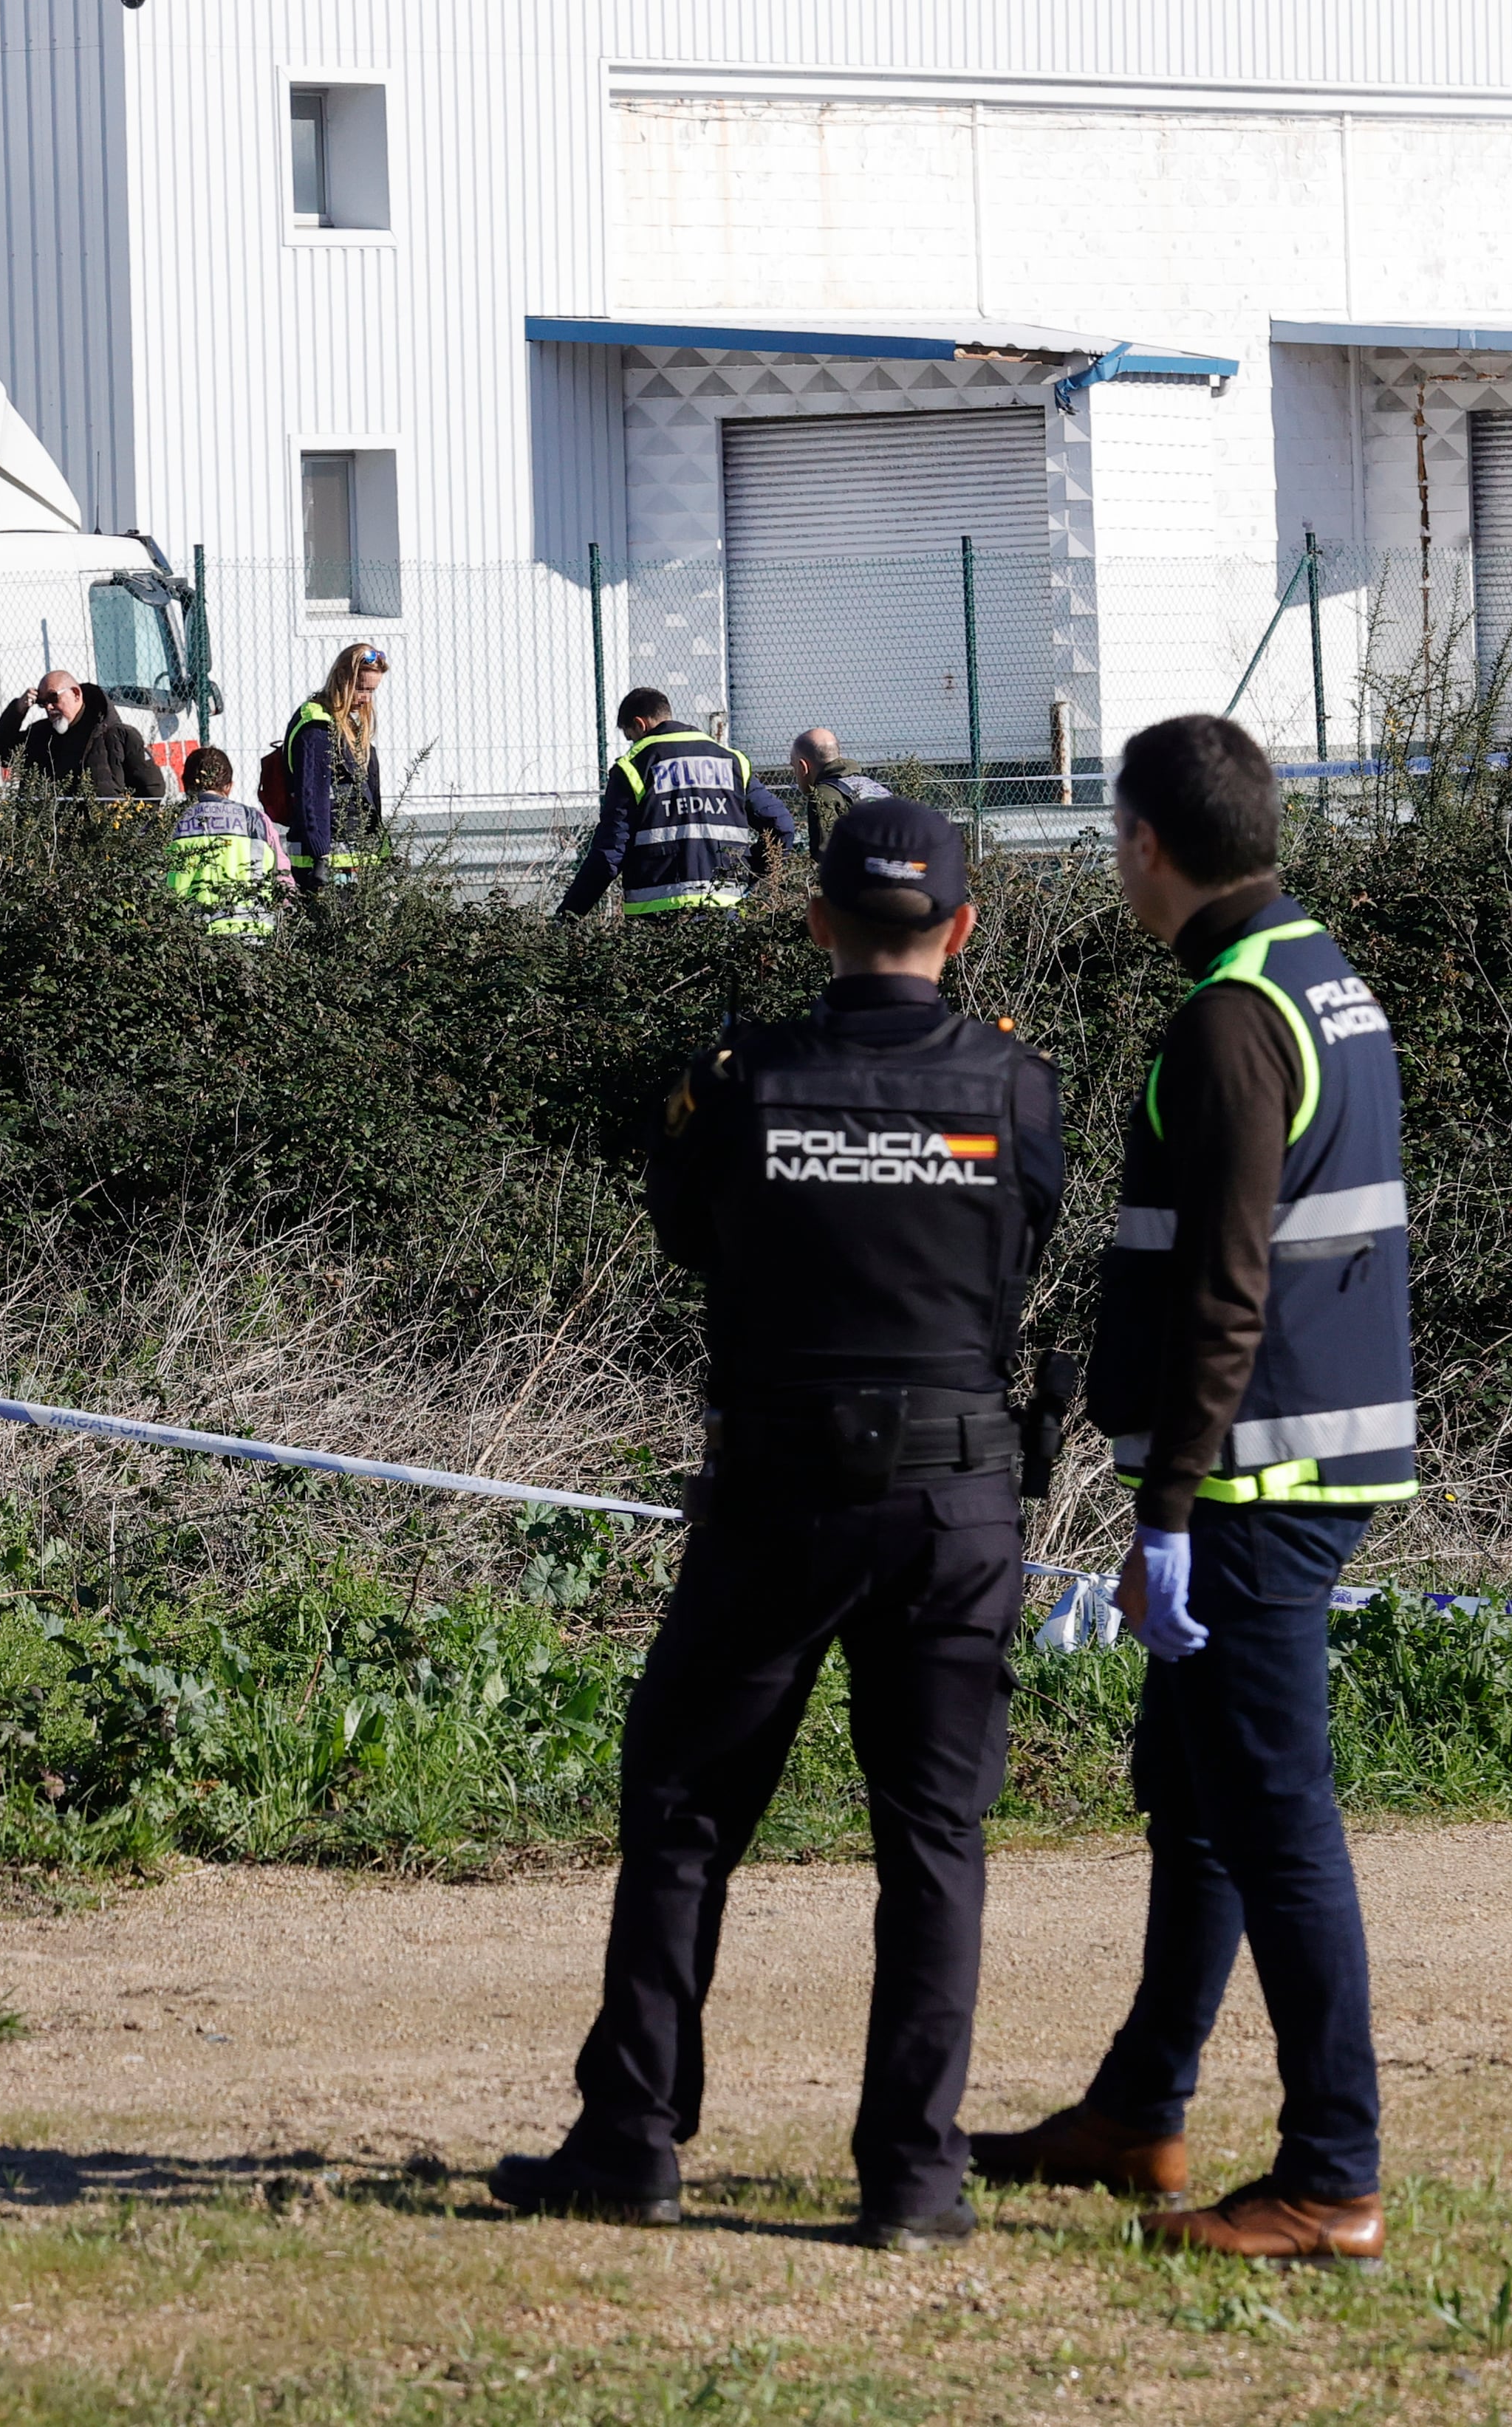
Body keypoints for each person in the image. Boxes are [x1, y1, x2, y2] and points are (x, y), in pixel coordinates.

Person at [493, 795, 1063, 2250]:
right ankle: (912, 2177)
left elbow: (686, 1231)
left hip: (775, 1496)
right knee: (932, 1839)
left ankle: (631, 2137)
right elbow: (1030, 1237)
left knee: (684, 1813)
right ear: (962, 925)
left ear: (814, 921)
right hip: (955, 1496)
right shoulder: (1013, 1084)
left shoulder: (743, 1076)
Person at [970, 714, 1413, 2266]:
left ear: (1144, 845)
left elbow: (1224, 1286)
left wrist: (1162, 1504)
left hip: (1253, 1475)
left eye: (1113, 838)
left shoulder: (1228, 1018)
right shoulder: (1316, 970)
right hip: (1295, 1451)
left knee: (1276, 1818)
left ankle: (1330, 2175)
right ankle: (1139, 2105)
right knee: (1202, 1797)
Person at [562, 689, 796, 920]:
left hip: (657, 913)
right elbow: (781, 825)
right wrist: (749, 872)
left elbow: (609, 854)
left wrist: (570, 914)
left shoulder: (632, 768)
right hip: (725, 907)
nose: (632, 745)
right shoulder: (732, 760)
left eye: (630, 737)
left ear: (640, 724)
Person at [280, 642, 388, 906]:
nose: (365, 698)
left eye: (371, 691)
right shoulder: (317, 726)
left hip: (353, 858)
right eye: (361, 689)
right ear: (343, 679)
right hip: (326, 867)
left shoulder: (347, 725)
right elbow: (312, 794)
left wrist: (383, 850)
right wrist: (321, 856)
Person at [0, 669, 160, 807]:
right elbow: (0, 753)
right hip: (49, 841)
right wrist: (18, 709)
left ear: (76, 694)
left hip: (102, 840)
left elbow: (152, 790)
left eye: (53, 697)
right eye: (42, 703)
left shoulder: (117, 735)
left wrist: (127, 834)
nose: (48, 706)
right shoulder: (40, 735)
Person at [163, 745, 284, 938]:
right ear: (229, 786)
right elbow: (284, 879)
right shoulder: (256, 820)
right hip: (253, 933)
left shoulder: (166, 823)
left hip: (187, 938)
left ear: (184, 783)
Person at [791, 728, 894, 855]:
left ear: (803, 767)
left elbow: (827, 854)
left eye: (793, 766)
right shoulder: (871, 785)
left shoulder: (822, 795)